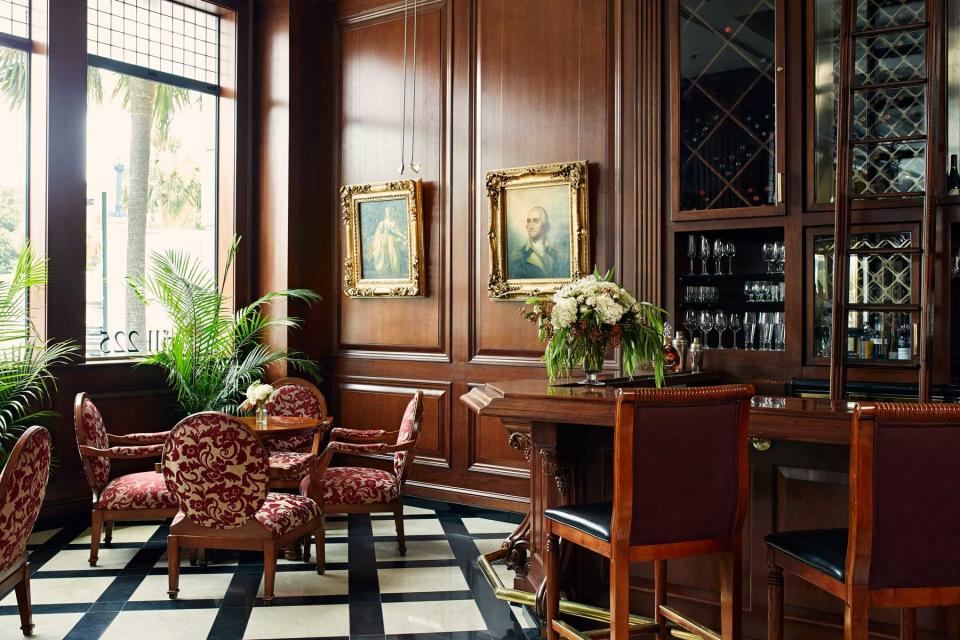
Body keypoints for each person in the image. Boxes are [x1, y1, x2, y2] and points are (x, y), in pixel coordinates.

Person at [508, 205, 568, 279]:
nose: (530, 226)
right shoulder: (518, 255)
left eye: (536, 221)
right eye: (529, 221)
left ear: (545, 226)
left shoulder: (559, 255)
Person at [369, 206, 407, 276]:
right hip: (383, 241)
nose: (388, 213)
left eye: (389, 212)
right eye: (387, 212)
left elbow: (397, 232)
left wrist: (403, 236)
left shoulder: (394, 222)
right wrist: (380, 231)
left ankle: (394, 269)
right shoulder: (382, 223)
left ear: (391, 213)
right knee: (383, 251)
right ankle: (384, 269)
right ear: (385, 213)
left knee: (392, 251)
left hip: (391, 240)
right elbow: (378, 232)